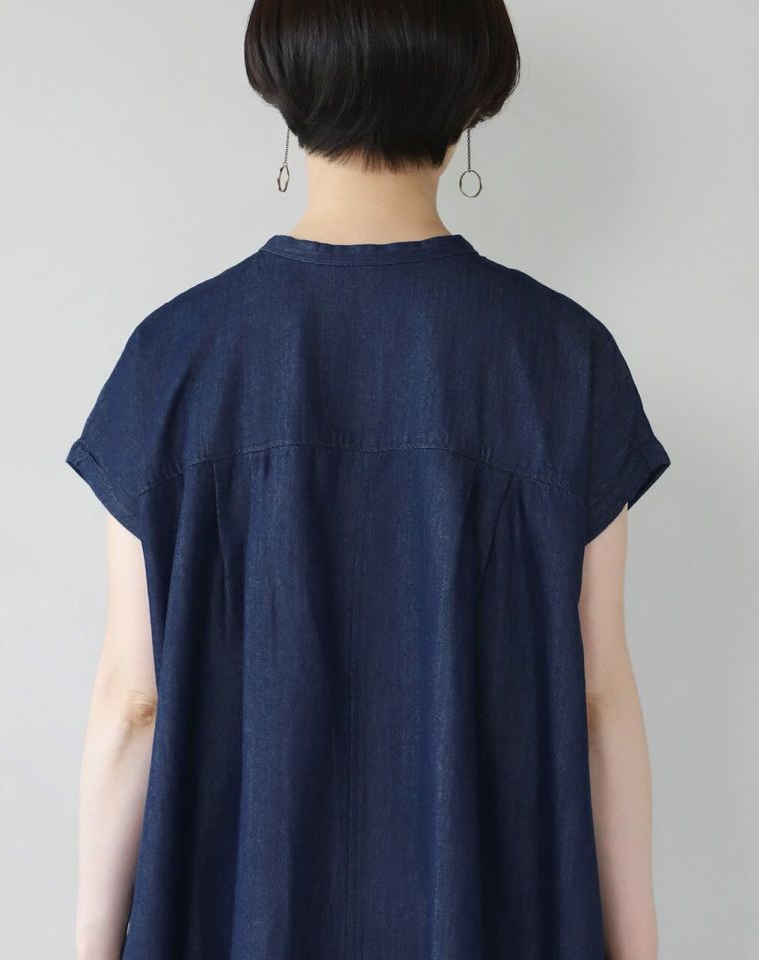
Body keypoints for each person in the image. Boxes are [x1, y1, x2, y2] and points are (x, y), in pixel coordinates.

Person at [65, 2, 671, 958]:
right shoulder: (565, 363)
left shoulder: (172, 361)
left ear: (284, 87)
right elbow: (599, 704)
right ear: (470, 101)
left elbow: (131, 704)